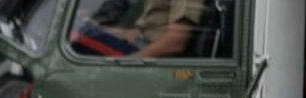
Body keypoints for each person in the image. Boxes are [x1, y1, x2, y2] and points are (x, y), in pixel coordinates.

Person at [69, 0, 208, 58]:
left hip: (148, 58)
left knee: (74, 34)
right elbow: (138, 33)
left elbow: (175, 43)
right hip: (138, 45)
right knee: (79, 28)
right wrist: (101, 30)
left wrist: (128, 63)